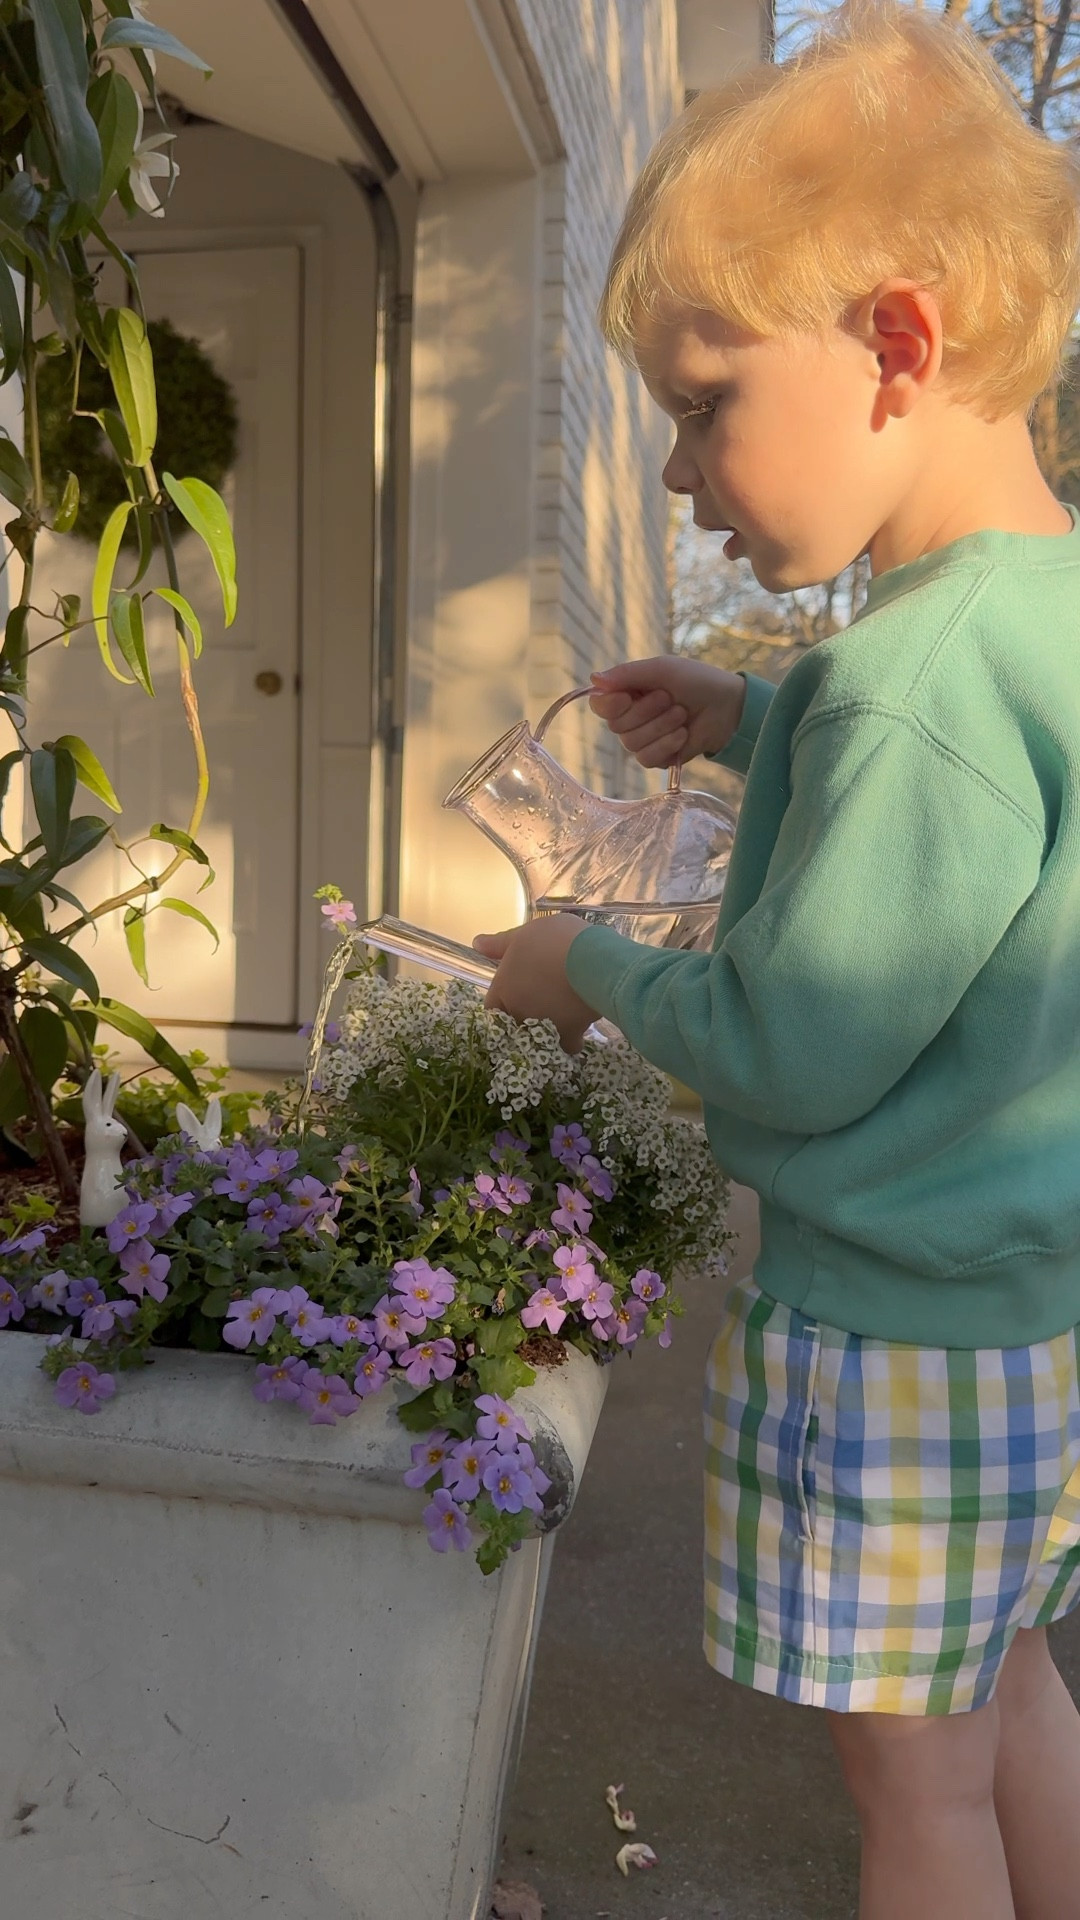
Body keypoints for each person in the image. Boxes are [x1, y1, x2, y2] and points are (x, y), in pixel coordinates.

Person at [471, 3, 1080, 1915]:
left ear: (896, 346)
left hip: (893, 1340)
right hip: (1031, 1314)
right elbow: (983, 846)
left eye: (702, 401)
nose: (678, 475)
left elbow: (792, 1042)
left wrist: (585, 965)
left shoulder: (909, 685)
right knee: (1012, 1695)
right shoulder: (1035, 620)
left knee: (916, 1792)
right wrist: (755, 716)